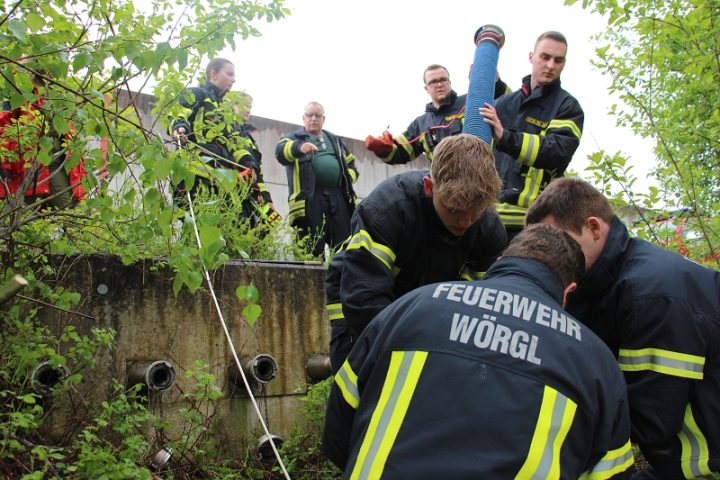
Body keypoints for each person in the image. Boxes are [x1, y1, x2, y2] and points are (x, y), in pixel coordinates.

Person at [323, 223, 634, 479]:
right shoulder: (596, 364)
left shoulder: (412, 307)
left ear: (499, 263)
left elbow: (340, 422)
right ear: (568, 292)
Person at [525, 177, 720, 479]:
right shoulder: (607, 282)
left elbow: (651, 421)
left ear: (594, 227)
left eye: (559, 244)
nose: (551, 260)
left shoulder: (650, 295)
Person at [325, 133, 507, 372]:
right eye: (454, 210)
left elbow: (476, 304)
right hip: (358, 299)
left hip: (420, 295)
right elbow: (364, 299)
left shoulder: (488, 229)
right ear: (429, 187)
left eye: (476, 211)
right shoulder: (386, 210)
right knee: (361, 374)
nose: (466, 221)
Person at [479, 31, 584, 241]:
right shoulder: (503, 103)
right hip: (487, 220)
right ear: (531, 57)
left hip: (533, 225)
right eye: (545, 57)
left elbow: (556, 152)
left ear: (564, 64)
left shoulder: (568, 107)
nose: (551, 65)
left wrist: (505, 137)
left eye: (558, 60)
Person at [364, 64, 509, 164]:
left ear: (450, 82)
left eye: (443, 80)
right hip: (445, 188)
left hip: (481, 176)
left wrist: (495, 81)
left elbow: (509, 103)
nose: (439, 84)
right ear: (426, 88)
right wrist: (384, 150)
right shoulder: (421, 124)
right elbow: (401, 152)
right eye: (433, 82)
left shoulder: (471, 101)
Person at [274, 101, 358, 256]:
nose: (313, 118)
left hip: (338, 198)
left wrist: (343, 179)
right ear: (303, 118)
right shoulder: (293, 138)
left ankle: (339, 279)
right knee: (310, 250)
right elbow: (280, 152)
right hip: (310, 200)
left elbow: (352, 167)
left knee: (344, 247)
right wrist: (298, 148)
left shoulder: (335, 140)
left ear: (323, 119)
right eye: (309, 115)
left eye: (317, 115)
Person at [171, 57, 245, 202]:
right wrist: (180, 127)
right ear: (213, 73)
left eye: (234, 75)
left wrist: (247, 161)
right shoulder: (197, 94)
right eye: (229, 74)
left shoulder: (226, 112)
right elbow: (178, 113)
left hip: (223, 183)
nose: (233, 79)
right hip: (195, 177)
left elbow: (235, 144)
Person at [229, 92, 281, 226]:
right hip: (232, 194)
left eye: (250, 107)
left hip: (252, 194)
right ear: (232, 105)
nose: (248, 110)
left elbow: (258, 174)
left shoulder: (249, 138)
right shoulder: (225, 129)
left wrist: (267, 199)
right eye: (245, 105)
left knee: (272, 223)